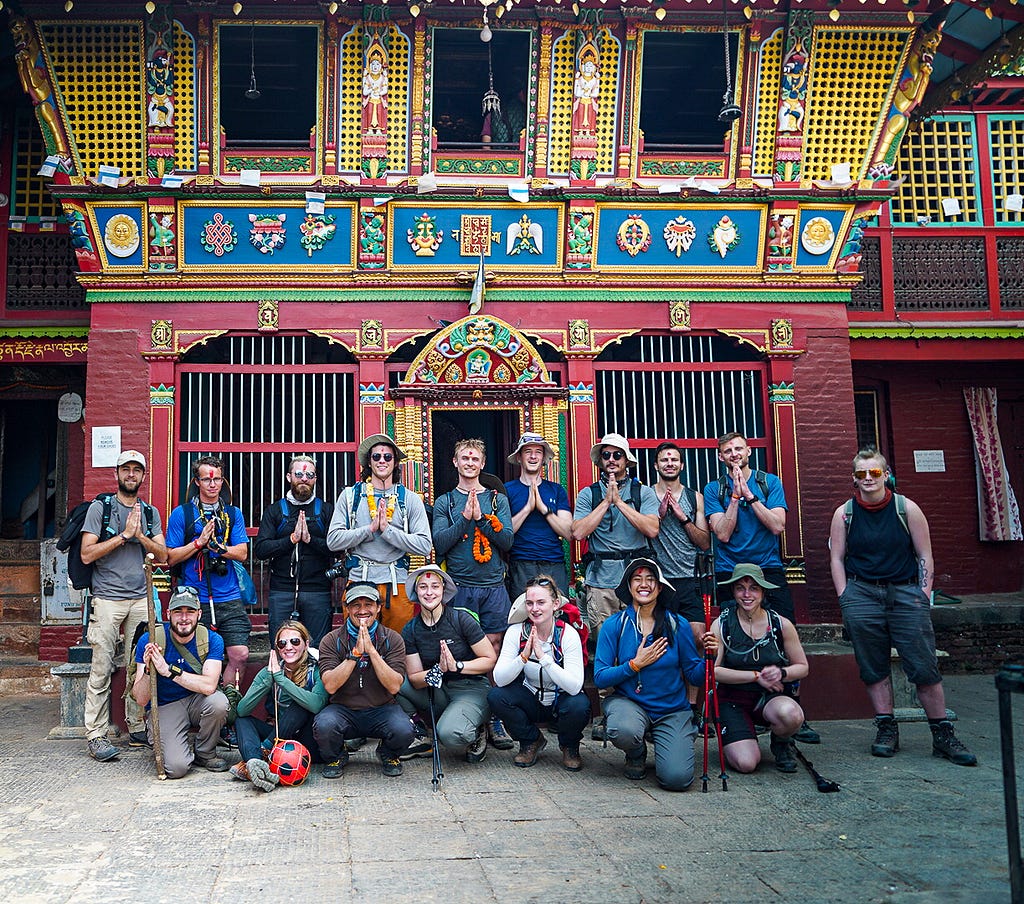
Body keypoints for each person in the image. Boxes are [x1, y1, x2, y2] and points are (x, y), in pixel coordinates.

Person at [828, 448, 976, 766]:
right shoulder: (844, 514)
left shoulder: (906, 508)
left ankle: (942, 734)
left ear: (886, 474)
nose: (868, 478)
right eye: (862, 473)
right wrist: (846, 597)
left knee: (923, 666)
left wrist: (923, 593)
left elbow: (925, 554)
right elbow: (836, 558)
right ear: (853, 478)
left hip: (906, 594)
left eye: (875, 473)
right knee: (873, 667)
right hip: (862, 596)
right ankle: (886, 728)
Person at [703, 432, 819, 744]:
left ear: (749, 452)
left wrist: (751, 496)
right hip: (731, 572)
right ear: (720, 457)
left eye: (738, 449)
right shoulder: (714, 489)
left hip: (768, 569)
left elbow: (778, 525)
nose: (733, 454)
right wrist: (735, 498)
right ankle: (737, 710)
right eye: (727, 451)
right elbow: (723, 534)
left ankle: (792, 708)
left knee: (782, 635)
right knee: (731, 636)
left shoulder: (770, 483)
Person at [593, 557, 716, 791]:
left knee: (677, 780)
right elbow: (600, 676)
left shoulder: (677, 625)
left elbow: (694, 674)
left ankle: (671, 741)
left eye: (651, 579)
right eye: (637, 579)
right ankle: (636, 752)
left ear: (660, 588)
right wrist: (635, 665)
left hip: (671, 709)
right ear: (629, 587)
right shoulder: (614, 625)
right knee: (624, 730)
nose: (644, 584)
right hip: (630, 703)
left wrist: (711, 657)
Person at [79, 450, 168, 762]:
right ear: (116, 473)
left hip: (141, 598)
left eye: (137, 470)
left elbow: (164, 556)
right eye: (126, 469)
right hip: (106, 598)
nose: (131, 475)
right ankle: (96, 734)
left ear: (143, 476)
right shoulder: (99, 508)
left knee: (141, 665)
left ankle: (136, 726)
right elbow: (86, 554)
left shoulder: (150, 512)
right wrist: (123, 536)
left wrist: (141, 536)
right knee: (101, 666)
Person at [432, 437, 516, 751]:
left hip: (493, 586)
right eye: (464, 458)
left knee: (493, 650)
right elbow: (438, 544)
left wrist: (481, 518)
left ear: (482, 464)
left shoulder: (497, 500)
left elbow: (507, 541)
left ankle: (495, 716)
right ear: (455, 463)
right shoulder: (446, 502)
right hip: (457, 587)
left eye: (475, 459)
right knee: (460, 649)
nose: (469, 463)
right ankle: (468, 717)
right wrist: (465, 519)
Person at [327, 433, 431, 633]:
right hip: (360, 578)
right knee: (358, 644)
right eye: (376, 457)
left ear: (395, 462)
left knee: (398, 645)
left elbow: (425, 545)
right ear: (369, 462)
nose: (382, 461)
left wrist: (387, 531)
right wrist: (369, 530)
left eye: (387, 457)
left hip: (397, 582)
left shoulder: (409, 499)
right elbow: (333, 541)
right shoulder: (350, 496)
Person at [711, 564, 809, 774]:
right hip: (733, 700)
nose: (747, 595)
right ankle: (741, 736)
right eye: (740, 588)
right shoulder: (722, 625)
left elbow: (802, 667)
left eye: (754, 588)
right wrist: (756, 676)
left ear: (763, 592)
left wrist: (782, 673)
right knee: (746, 764)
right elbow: (714, 671)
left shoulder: (780, 624)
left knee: (791, 714)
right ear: (733, 591)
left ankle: (782, 742)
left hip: (770, 698)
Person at [165, 455, 251, 691]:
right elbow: (170, 556)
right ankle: (206, 705)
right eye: (206, 480)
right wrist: (198, 544)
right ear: (197, 482)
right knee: (197, 656)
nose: (212, 484)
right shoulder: (182, 514)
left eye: (217, 480)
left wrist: (221, 549)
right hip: (194, 596)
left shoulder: (233, 514)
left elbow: (242, 553)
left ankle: (229, 704)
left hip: (229, 595)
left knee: (240, 654)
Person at [489, 575, 590, 771]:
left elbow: (575, 686)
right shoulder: (516, 632)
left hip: (560, 699)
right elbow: (499, 679)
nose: (535, 609)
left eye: (541, 602)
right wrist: (523, 657)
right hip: (531, 697)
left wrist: (545, 659)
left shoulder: (567, 634)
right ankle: (531, 740)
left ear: (555, 604)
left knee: (579, 704)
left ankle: (570, 745)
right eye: (530, 603)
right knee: (497, 696)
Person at [313, 583, 414, 778]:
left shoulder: (392, 638)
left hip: (382, 707)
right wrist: (355, 654)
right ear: (347, 609)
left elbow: (394, 686)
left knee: (405, 729)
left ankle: (388, 753)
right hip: (343, 708)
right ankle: (337, 755)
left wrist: (372, 652)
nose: (362, 610)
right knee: (324, 725)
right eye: (355, 605)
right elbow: (330, 685)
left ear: (378, 607)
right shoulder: (331, 639)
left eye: (368, 604)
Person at [398, 565, 496, 763]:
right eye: (423, 587)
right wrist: (439, 670)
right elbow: (415, 679)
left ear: (443, 591)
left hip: (470, 687)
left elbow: (489, 659)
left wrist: (457, 666)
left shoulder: (461, 619)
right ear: (416, 592)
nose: (429, 592)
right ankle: (420, 732)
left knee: (451, 736)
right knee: (396, 682)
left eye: (435, 586)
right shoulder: (411, 629)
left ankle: (477, 730)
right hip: (438, 687)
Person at [131, 586, 230, 778]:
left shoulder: (211, 639)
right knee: (177, 769)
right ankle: (170, 743)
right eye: (178, 612)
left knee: (219, 703)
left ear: (199, 614)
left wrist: (168, 671)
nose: (184, 618)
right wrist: (150, 671)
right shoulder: (150, 639)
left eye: (190, 611)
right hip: (165, 706)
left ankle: (204, 752)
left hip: (197, 701)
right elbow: (141, 699)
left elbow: (209, 686)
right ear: (168, 614)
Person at [571, 432, 659, 634]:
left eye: (617, 455)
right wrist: (606, 502)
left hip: (637, 579)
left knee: (640, 637)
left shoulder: (643, 492)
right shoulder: (589, 494)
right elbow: (577, 532)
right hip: (601, 582)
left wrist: (619, 502)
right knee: (605, 641)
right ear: (600, 461)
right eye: (606, 455)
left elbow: (652, 529)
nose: (611, 459)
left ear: (626, 460)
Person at [231, 619, 328, 791]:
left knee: (301, 704)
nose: (288, 647)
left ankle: (264, 751)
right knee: (242, 720)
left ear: (306, 644)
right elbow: (242, 709)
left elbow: (316, 705)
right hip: (281, 738)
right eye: (282, 643)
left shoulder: (317, 668)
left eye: (295, 641)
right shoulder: (272, 671)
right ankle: (254, 763)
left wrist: (281, 680)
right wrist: (269, 678)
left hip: (309, 741)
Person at [650, 441, 711, 708]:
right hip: (658, 581)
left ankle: (692, 706)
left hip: (689, 579)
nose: (669, 463)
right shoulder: (647, 495)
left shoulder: (694, 497)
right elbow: (641, 533)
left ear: (682, 465)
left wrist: (682, 517)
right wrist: (660, 516)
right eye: (664, 459)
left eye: (674, 459)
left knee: (697, 640)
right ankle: (662, 705)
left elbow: (704, 542)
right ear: (656, 465)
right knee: (659, 644)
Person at [254, 454, 336, 646]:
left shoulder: (325, 510)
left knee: (317, 648)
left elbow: (337, 548)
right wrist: (291, 540)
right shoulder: (275, 511)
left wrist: (310, 539)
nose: (304, 479)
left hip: (318, 589)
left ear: (315, 479)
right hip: (282, 589)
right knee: (282, 647)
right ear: (289, 477)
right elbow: (261, 549)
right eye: (299, 474)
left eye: (310, 475)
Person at [504, 431, 572, 600]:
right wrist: (527, 508)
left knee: (556, 616)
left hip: (553, 563)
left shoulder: (556, 490)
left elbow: (568, 532)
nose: (533, 456)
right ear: (519, 457)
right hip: (521, 564)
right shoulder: (507, 490)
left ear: (543, 458)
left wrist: (543, 509)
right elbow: (503, 533)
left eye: (538, 452)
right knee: (523, 616)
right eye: (528, 452)